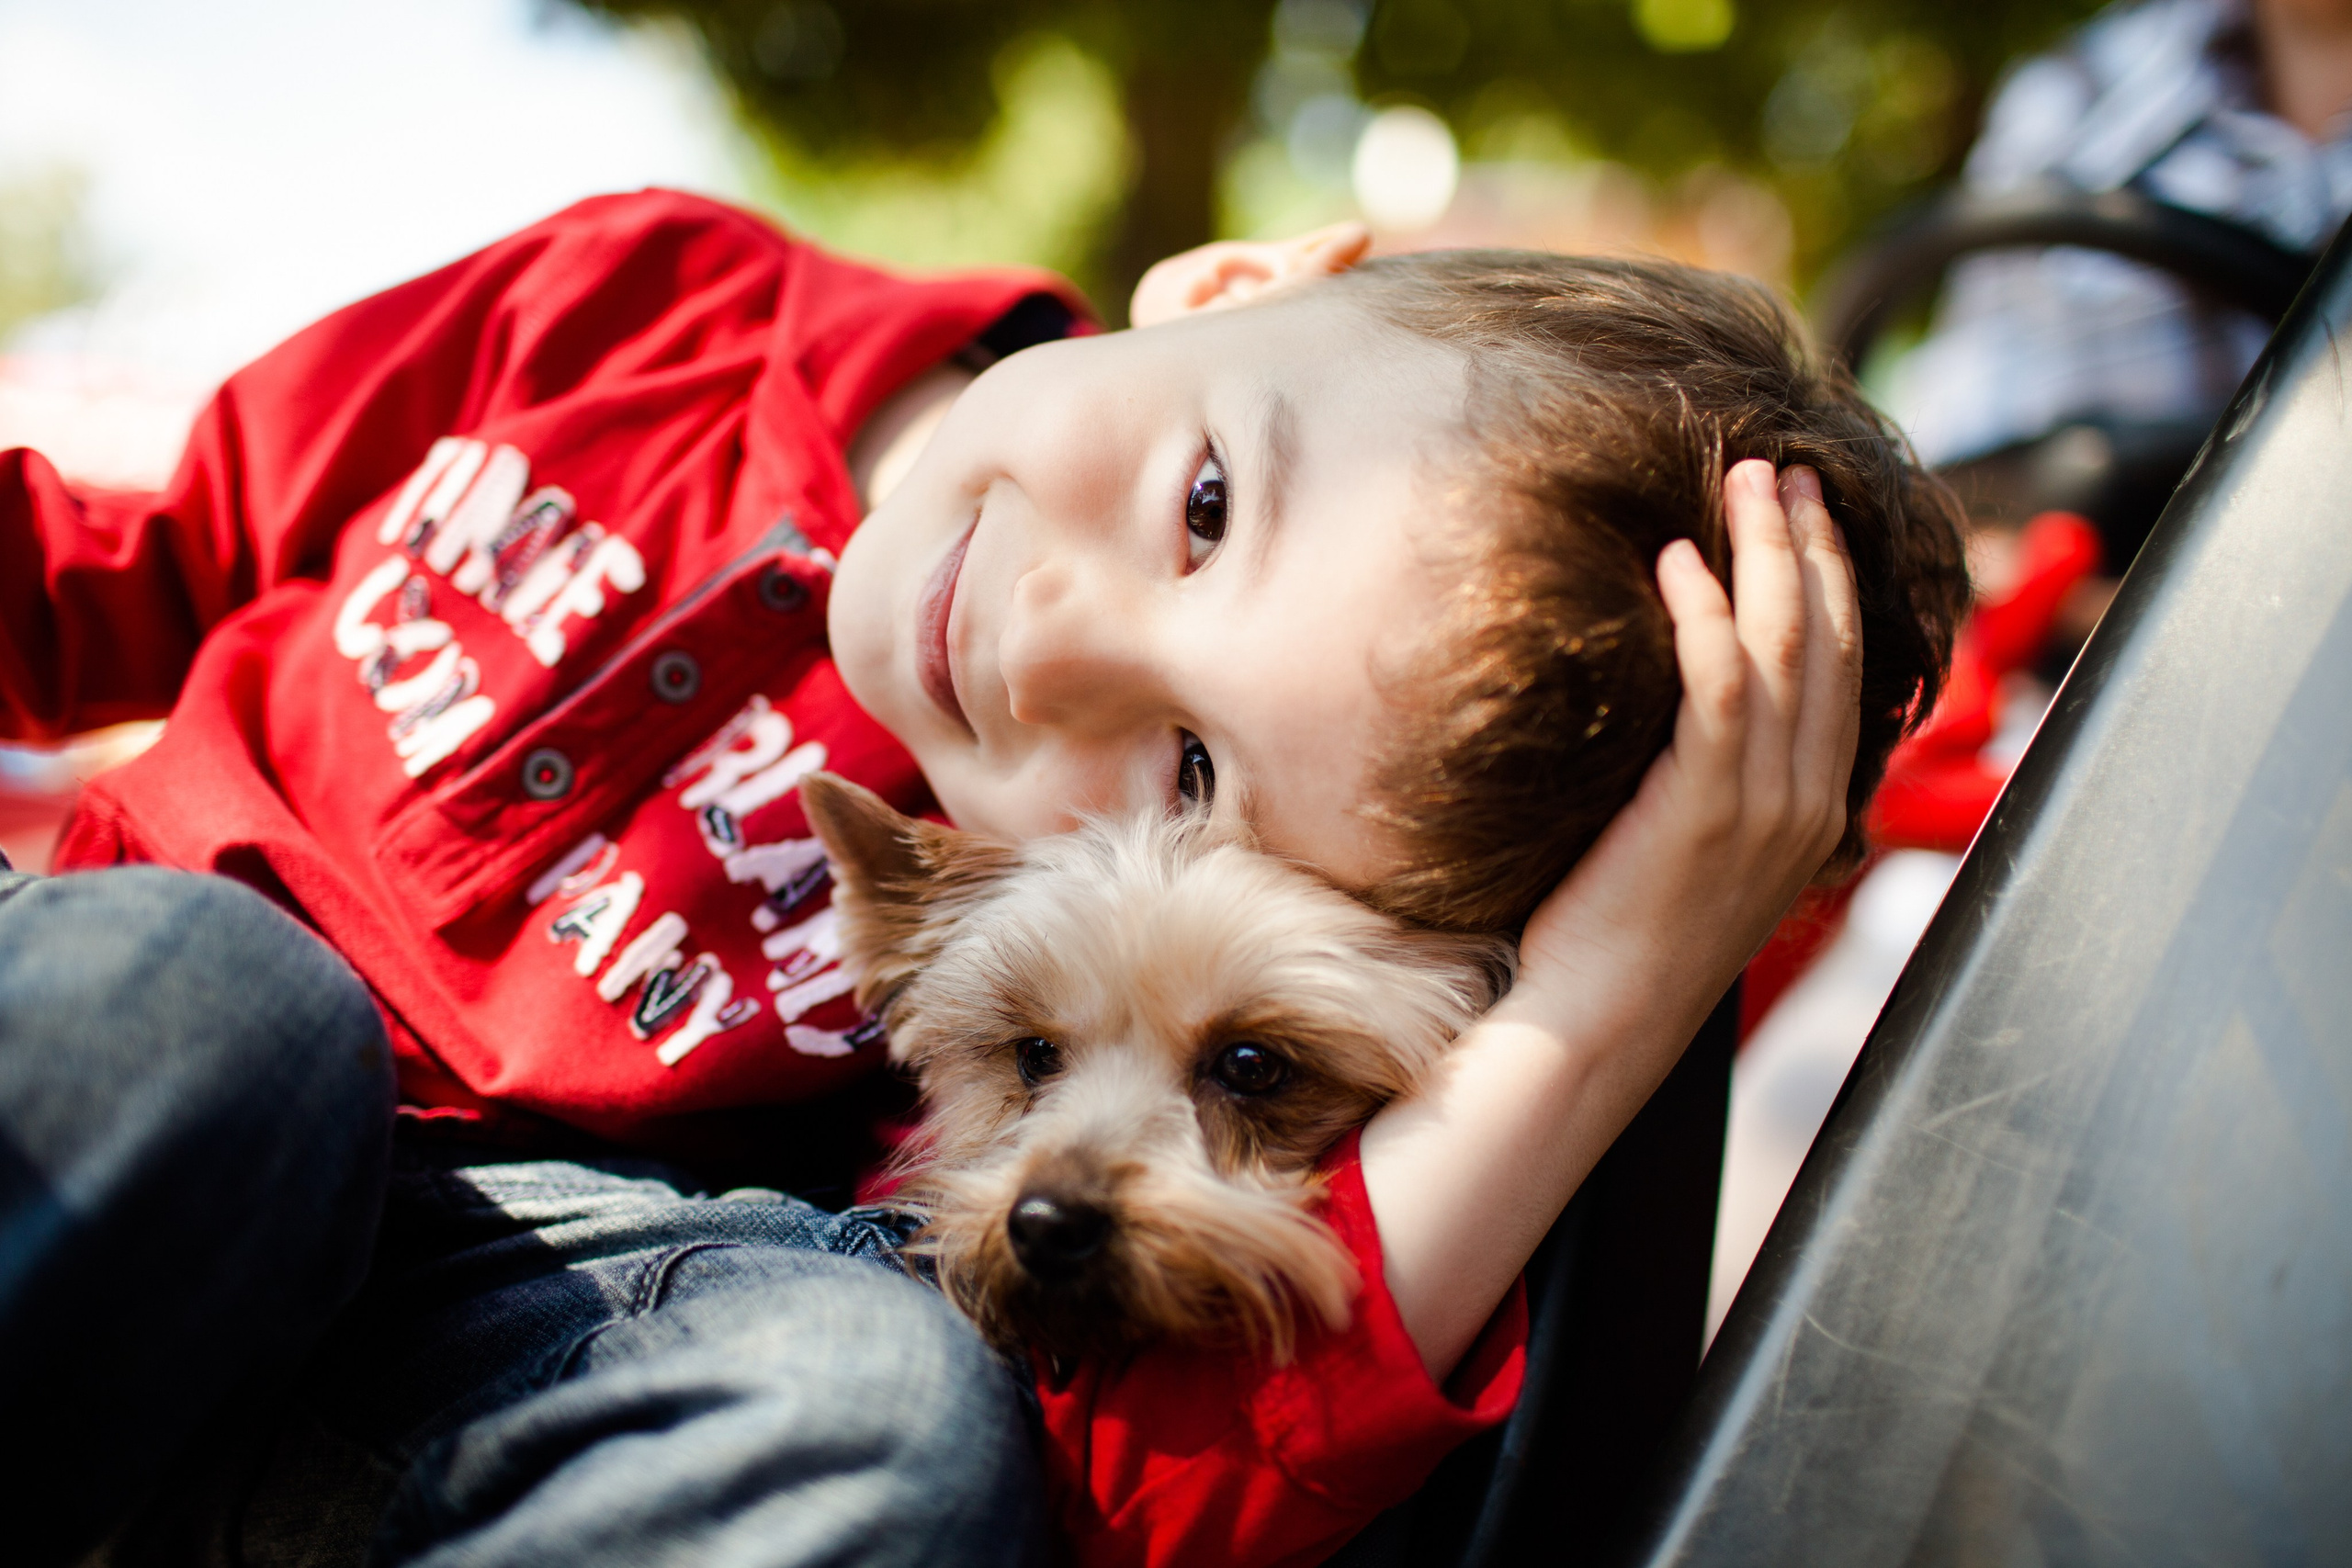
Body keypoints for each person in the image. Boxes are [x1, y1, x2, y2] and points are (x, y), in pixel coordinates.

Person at [0, 193, 1965, 1567]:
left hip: (475, 1333)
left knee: (890, 1403)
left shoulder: (1000, 934)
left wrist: (1613, 991)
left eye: (1186, 774)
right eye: (1204, 503)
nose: (1045, 639)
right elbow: (113, 550)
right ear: (1231, 280)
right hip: (103, 1094)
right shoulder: (646, 303)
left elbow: (1134, 1500)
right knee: (232, 1009)